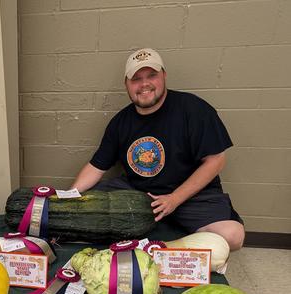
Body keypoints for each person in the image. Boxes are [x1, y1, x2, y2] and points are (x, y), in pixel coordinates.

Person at [71, 48, 245, 250]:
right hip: (138, 195)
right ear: (126, 84)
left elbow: (216, 161)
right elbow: (96, 167)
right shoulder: (120, 122)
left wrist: (174, 199)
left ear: (164, 75)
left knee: (232, 236)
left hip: (190, 196)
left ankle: (161, 248)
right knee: (85, 206)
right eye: (136, 78)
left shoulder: (194, 109)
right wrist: (67, 197)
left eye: (152, 75)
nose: (144, 84)